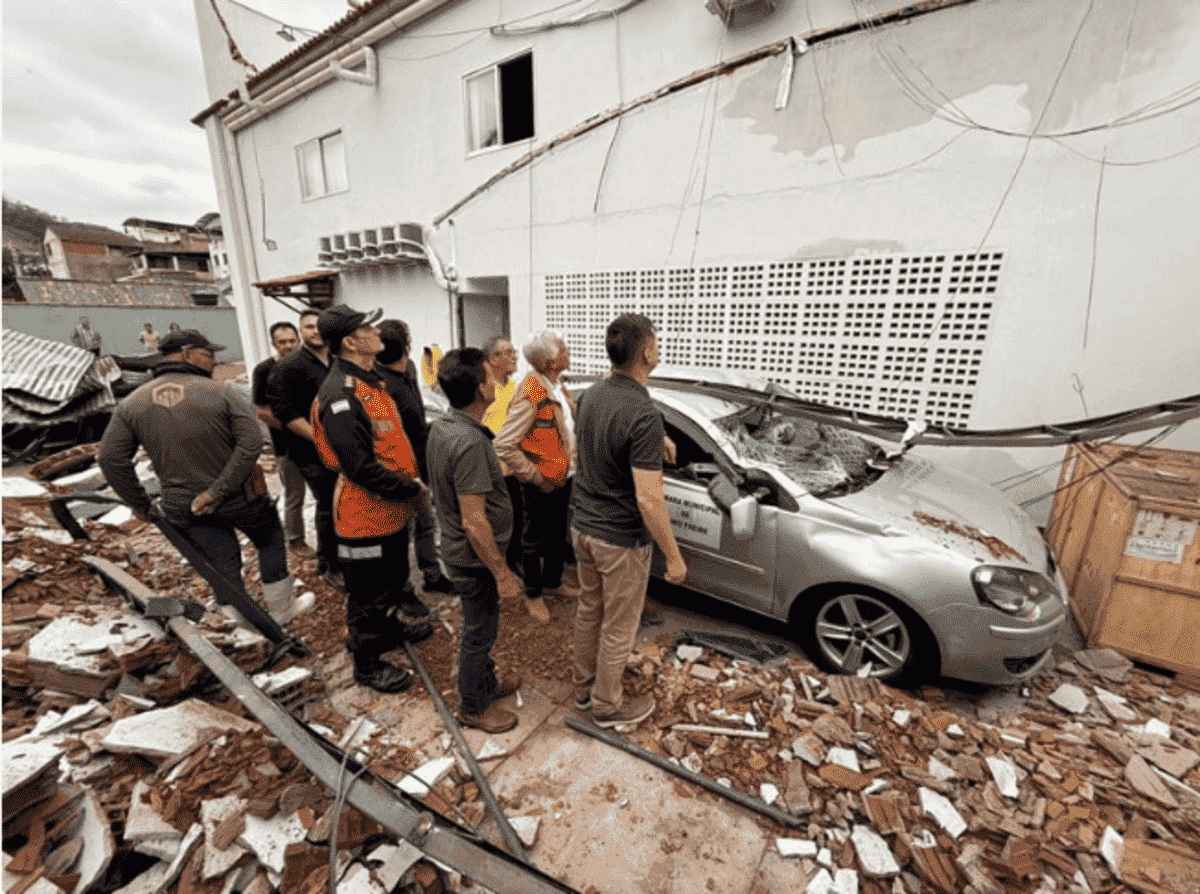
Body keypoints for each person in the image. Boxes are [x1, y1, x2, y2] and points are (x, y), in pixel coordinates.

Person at [97, 328, 312, 626]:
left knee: (222, 562)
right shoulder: (223, 392)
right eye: (208, 355)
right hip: (242, 497)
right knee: (270, 542)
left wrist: (141, 504)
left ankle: (239, 623)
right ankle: (282, 610)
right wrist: (218, 491)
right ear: (186, 354)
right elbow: (251, 444)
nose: (214, 362)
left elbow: (109, 458)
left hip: (185, 505)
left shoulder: (131, 403)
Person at [569, 313, 687, 728]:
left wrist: (657, 438)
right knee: (619, 626)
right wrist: (673, 557)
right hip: (619, 539)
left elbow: (615, 393)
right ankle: (607, 706)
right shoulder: (642, 413)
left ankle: (584, 689)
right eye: (655, 343)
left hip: (582, 526)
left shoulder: (591, 395)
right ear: (649, 353)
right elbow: (650, 499)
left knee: (590, 610)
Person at [311, 306, 433, 694]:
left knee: (394, 579)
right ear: (350, 341)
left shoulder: (369, 382)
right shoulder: (341, 396)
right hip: (363, 515)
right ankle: (366, 663)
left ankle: (390, 629)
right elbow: (360, 468)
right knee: (367, 593)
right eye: (367, 326)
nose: (376, 330)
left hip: (388, 510)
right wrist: (413, 489)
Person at [426, 348, 523, 733]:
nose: (496, 381)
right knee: (479, 631)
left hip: (463, 550)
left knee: (484, 625)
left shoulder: (445, 426)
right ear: (483, 388)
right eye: (490, 375)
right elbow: (474, 520)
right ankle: (472, 705)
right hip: (473, 558)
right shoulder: (468, 442)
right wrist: (501, 573)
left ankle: (487, 683)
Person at [495, 330, 580, 624]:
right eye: (564, 350)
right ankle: (533, 594)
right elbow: (504, 444)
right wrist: (535, 476)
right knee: (532, 538)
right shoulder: (532, 392)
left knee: (557, 533)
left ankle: (553, 582)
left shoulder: (556, 385)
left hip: (562, 477)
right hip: (540, 481)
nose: (568, 352)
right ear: (550, 361)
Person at [375, 319, 455, 618]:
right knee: (400, 534)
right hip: (398, 468)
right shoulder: (380, 385)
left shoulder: (408, 368)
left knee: (425, 521)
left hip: (421, 461)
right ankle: (404, 591)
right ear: (405, 346)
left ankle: (432, 576)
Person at [266, 309, 341, 586]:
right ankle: (330, 567)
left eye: (319, 326)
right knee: (328, 506)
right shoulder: (288, 368)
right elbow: (285, 414)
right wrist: (321, 438)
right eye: (309, 327)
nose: (316, 331)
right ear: (302, 332)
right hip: (311, 452)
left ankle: (335, 559)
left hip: (341, 448)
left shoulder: (336, 359)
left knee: (342, 504)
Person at [252, 322, 313, 559]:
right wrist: (294, 425)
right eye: (282, 342)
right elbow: (261, 411)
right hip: (287, 447)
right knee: (295, 495)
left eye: (292, 341)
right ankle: (295, 540)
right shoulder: (264, 370)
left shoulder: (307, 365)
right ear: (273, 344)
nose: (288, 346)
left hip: (317, 443)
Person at [481, 336, 523, 574]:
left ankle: (513, 561)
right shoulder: (483, 389)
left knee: (517, 517)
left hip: (515, 467)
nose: (514, 356)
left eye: (513, 351)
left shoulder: (516, 388)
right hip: (490, 467)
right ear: (493, 358)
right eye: (508, 352)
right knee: (495, 520)